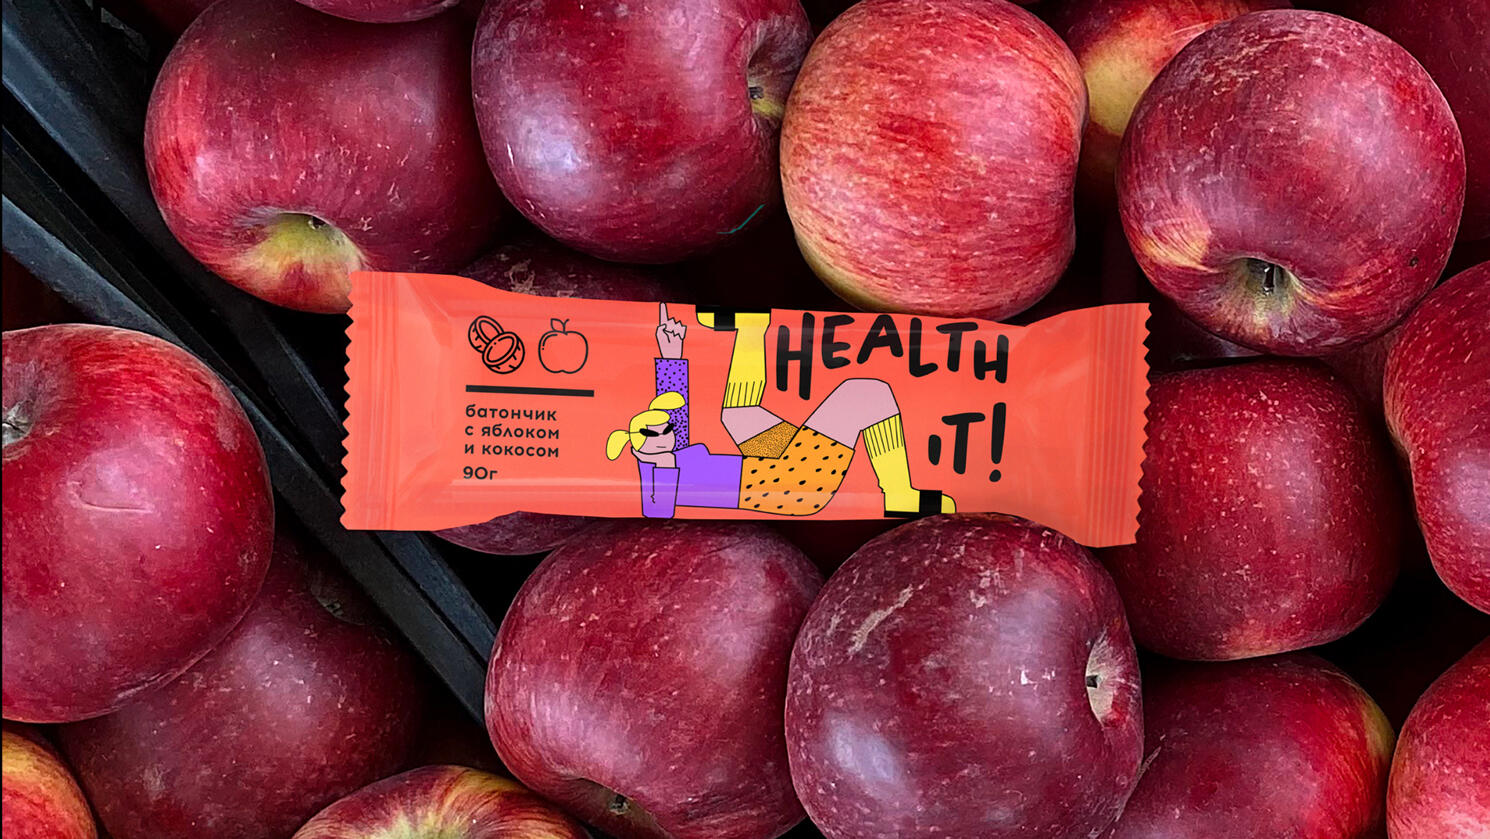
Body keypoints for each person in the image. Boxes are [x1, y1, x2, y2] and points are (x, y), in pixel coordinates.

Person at [606, 305, 955, 518]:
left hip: (763, 468)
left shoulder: (673, 448)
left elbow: (674, 407)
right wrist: (660, 466)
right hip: (793, 486)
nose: (664, 436)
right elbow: (656, 509)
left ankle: (751, 330)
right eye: (652, 436)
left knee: (738, 413)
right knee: (867, 394)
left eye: (664, 431)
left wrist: (671, 351)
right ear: (633, 445)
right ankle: (898, 492)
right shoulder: (656, 476)